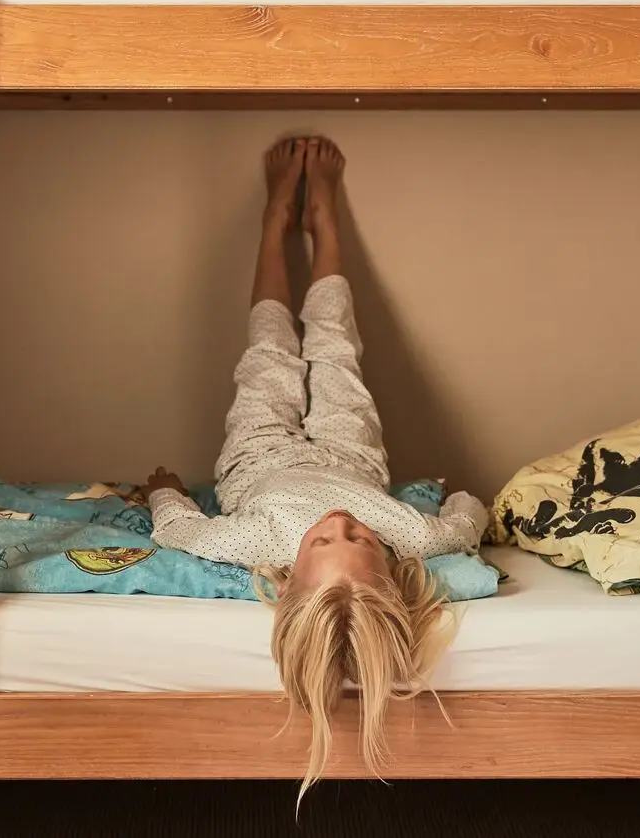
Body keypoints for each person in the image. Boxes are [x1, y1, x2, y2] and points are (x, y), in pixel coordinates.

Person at [145, 137, 485, 789]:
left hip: (259, 450)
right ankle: (323, 221)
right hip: (348, 445)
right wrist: (466, 492)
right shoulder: (408, 536)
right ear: (387, 561)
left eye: (325, 540)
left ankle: (274, 222)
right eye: (358, 538)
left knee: (271, 336)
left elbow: (179, 529)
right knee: (333, 338)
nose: (342, 523)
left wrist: (165, 490)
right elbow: (462, 525)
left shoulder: (256, 541)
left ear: (287, 578)